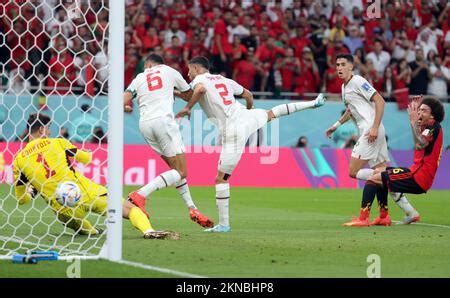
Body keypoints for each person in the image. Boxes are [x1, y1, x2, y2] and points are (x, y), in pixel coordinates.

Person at [176, 56, 326, 233]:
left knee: (221, 179)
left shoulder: (199, 80)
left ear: (196, 68)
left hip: (232, 129)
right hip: (245, 116)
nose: (188, 73)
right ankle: (313, 103)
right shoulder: (224, 79)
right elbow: (248, 95)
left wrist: (188, 108)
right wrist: (249, 111)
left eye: (189, 70)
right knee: (272, 114)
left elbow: (199, 90)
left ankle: (224, 224)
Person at [13, 113, 172, 239]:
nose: (49, 131)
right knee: (130, 210)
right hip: (87, 193)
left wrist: (32, 191)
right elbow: (86, 159)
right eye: (48, 128)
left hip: (63, 207)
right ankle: (148, 230)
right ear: (41, 130)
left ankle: (91, 231)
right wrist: (87, 153)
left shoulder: (19, 160)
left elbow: (21, 200)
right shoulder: (57, 143)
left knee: (73, 222)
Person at [123, 53, 213, 229]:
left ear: (148, 65)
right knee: (181, 170)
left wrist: (126, 107)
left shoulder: (140, 77)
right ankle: (140, 194)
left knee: (175, 170)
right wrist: (176, 93)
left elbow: (124, 100)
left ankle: (192, 208)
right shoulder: (170, 71)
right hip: (163, 122)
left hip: (145, 125)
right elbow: (189, 95)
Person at [325, 53, 417, 226]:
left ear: (351, 66)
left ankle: (364, 217)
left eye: (343, 64)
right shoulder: (345, 88)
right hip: (373, 130)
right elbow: (350, 111)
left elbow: (380, 101)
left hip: (371, 131)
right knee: (379, 174)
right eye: (337, 65)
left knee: (353, 172)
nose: (339, 68)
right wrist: (336, 125)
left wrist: (374, 127)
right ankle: (395, 214)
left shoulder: (358, 81)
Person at [360, 96, 444, 224]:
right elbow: (419, 138)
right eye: (419, 110)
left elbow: (419, 144)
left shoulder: (433, 127)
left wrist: (414, 123)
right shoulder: (427, 127)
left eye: (424, 111)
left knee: (374, 178)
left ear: (432, 116)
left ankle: (363, 219)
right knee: (378, 172)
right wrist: (416, 116)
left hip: (418, 177)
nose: (420, 113)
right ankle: (383, 218)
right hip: (415, 172)